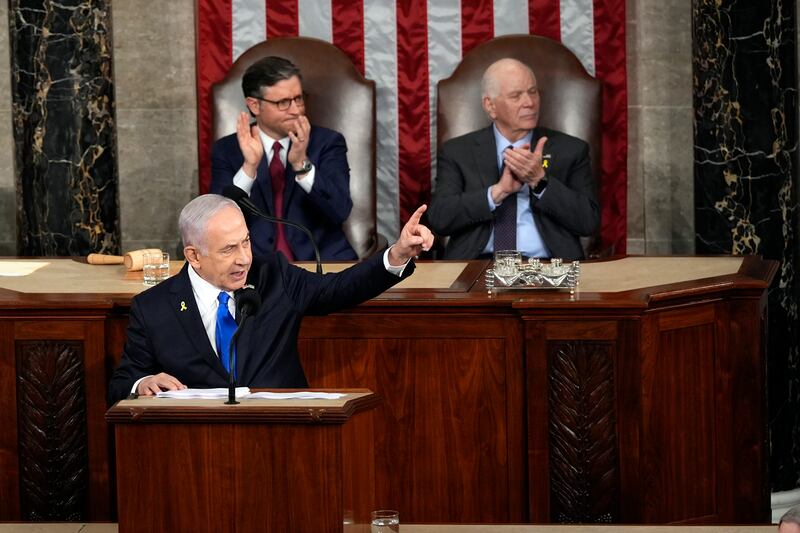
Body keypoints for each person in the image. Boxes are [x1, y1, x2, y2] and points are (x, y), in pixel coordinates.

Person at [108, 194, 433, 404]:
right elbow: (121, 384)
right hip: (198, 453)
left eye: (246, 242)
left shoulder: (274, 276)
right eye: (228, 249)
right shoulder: (154, 308)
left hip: (284, 436)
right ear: (193, 255)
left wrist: (398, 253)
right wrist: (143, 383)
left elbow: (338, 289)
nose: (244, 259)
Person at [427, 58, 599, 260]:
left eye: (533, 92)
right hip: (477, 265)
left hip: (549, 267)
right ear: (490, 106)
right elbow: (440, 219)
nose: (530, 102)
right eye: (516, 96)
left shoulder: (570, 149)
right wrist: (497, 193)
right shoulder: (458, 151)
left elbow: (589, 222)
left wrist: (540, 182)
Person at [211, 56, 357, 261]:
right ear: (254, 106)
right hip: (256, 267)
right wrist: (249, 168)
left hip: (323, 262)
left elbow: (340, 210)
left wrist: (301, 163)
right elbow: (216, 223)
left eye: (298, 98)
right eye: (283, 103)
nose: (296, 110)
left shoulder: (328, 142)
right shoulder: (227, 150)